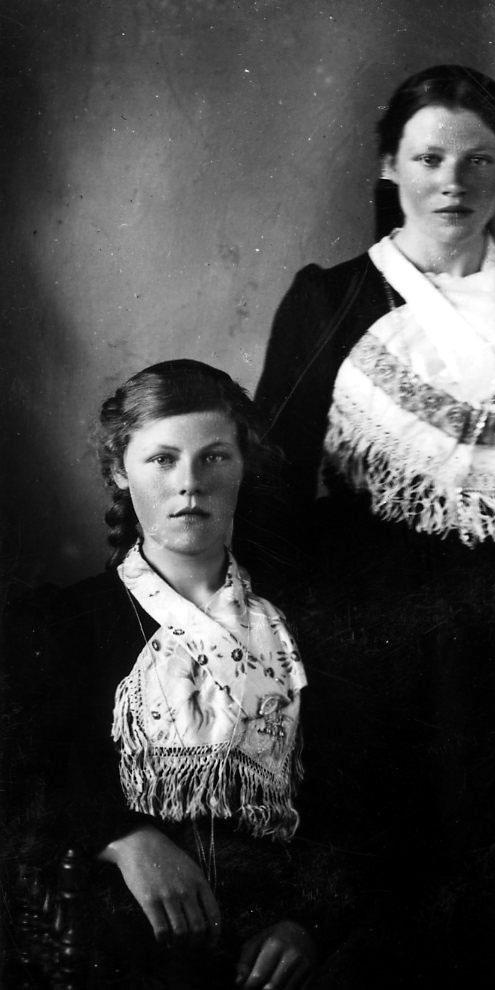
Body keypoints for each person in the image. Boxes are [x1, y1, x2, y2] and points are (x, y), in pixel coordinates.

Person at [255, 65, 495, 986]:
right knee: (376, 909)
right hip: (366, 645)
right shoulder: (332, 299)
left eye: (478, 159)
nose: (452, 182)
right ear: (390, 166)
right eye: (428, 158)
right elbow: (271, 497)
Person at [3, 360, 322, 989]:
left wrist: (307, 923)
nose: (190, 485)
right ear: (120, 470)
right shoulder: (62, 623)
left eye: (215, 458)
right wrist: (124, 839)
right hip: (126, 936)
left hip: (274, 942)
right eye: (162, 460)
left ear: (244, 467)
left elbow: (357, 800)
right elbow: (21, 776)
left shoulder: (296, 627)